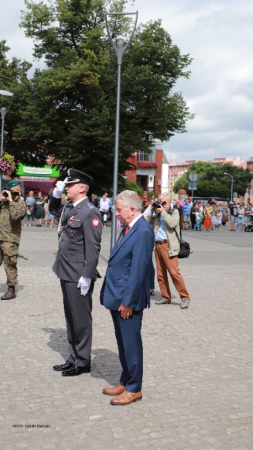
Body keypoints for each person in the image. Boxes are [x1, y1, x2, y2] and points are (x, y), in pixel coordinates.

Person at [100, 190, 154, 406]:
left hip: (127, 299)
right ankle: (125, 380)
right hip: (118, 295)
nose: (117, 214)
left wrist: (128, 302)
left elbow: (139, 270)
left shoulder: (143, 231)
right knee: (122, 342)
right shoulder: (130, 227)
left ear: (132, 209)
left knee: (131, 343)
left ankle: (134, 388)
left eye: (120, 210)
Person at [50, 168, 102, 376]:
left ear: (82, 188)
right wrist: (55, 194)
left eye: (70, 185)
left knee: (81, 319)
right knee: (71, 317)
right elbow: (54, 210)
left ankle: (82, 361)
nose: (67, 188)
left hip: (78, 273)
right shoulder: (71, 207)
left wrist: (87, 276)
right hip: (65, 269)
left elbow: (93, 246)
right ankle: (73, 357)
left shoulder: (90, 211)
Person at [146, 194, 191, 309]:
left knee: (174, 273)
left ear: (169, 202)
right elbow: (148, 222)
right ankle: (166, 297)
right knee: (161, 274)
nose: (161, 204)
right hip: (158, 245)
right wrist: (152, 211)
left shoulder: (173, 211)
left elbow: (172, 223)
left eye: (164, 202)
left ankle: (185, 297)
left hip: (169, 246)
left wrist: (163, 212)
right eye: (160, 202)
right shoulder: (157, 214)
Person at [0, 181, 27, 300]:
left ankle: (11, 289)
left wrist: (11, 201)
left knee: (10, 264)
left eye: (11, 192)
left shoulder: (20, 204)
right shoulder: (3, 203)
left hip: (10, 240)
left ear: (17, 191)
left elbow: (16, 216)